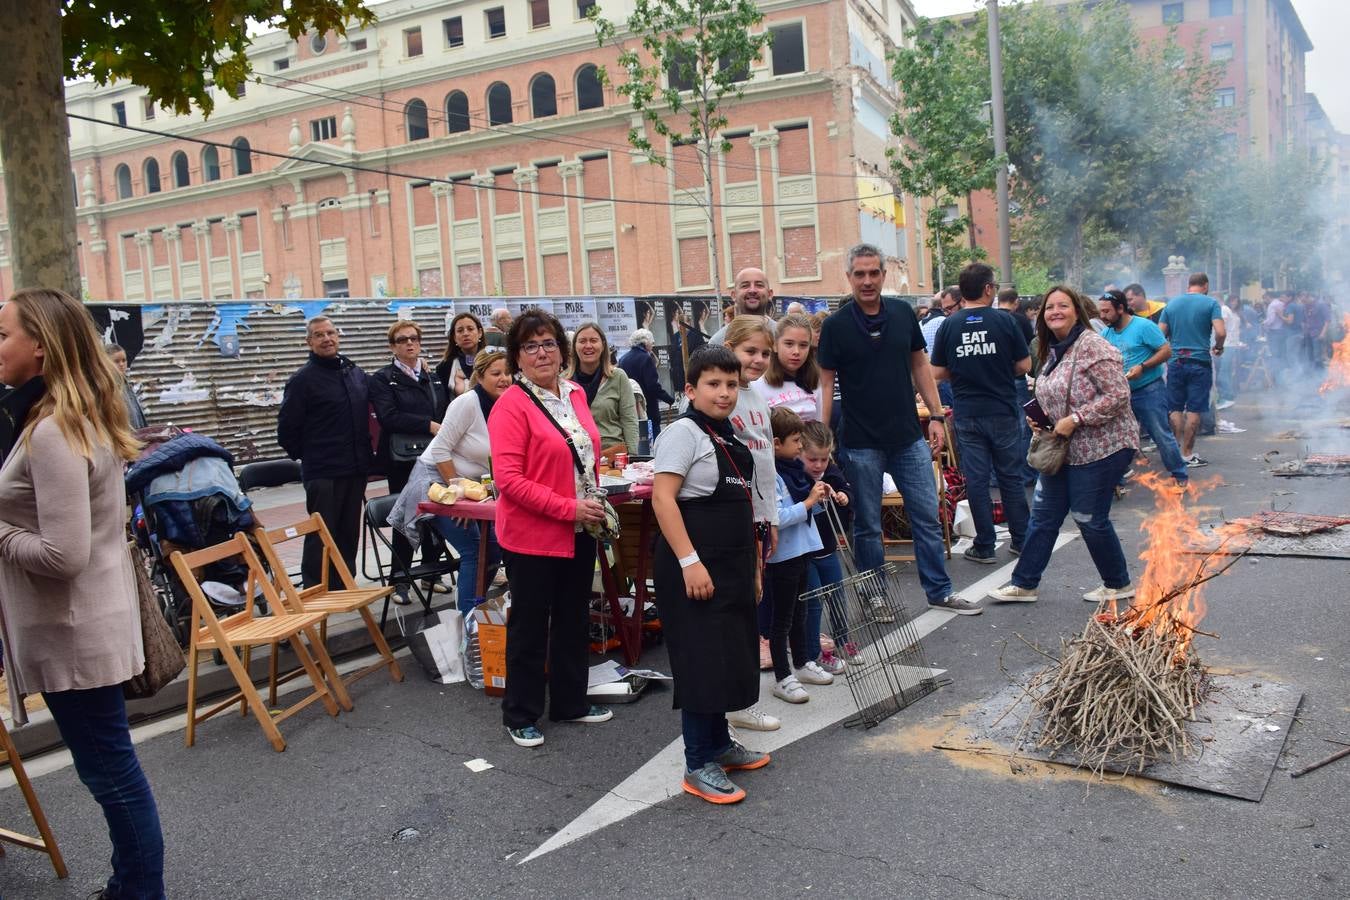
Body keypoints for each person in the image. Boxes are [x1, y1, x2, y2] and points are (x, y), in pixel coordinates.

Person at [0, 288, 165, 898]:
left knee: (111, 775)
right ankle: (131, 884)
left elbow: (62, 556)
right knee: (111, 769)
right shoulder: (75, 417)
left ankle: (141, 891)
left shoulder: (52, 431)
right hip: (85, 623)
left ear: (40, 347)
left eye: (2, 334)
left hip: (75, 632)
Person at [818, 243, 980, 616]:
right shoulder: (835, 326)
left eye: (874, 272)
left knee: (926, 515)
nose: (867, 280)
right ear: (849, 278)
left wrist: (937, 416)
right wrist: (822, 437)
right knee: (868, 526)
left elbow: (920, 366)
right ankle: (875, 597)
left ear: (883, 275)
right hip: (860, 442)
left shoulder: (903, 313)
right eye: (859, 274)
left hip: (908, 437)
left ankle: (939, 590)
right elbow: (826, 384)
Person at [487, 308, 613, 748]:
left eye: (548, 343)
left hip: (580, 528)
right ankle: (519, 713)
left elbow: (586, 454)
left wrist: (588, 504)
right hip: (533, 535)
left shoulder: (576, 393)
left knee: (574, 619)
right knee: (529, 625)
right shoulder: (511, 405)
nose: (541, 353)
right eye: (530, 346)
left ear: (562, 350)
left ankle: (570, 702)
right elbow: (509, 481)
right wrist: (568, 508)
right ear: (517, 357)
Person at [651, 345, 770, 805]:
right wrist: (688, 562)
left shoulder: (729, 435)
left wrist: (754, 568)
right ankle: (698, 760)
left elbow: (744, 507)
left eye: (731, 385)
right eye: (713, 385)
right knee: (701, 659)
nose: (723, 394)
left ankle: (719, 743)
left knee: (724, 655)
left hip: (732, 563)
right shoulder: (684, 433)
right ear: (690, 389)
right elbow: (663, 500)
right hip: (696, 564)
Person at [987, 287, 1140, 605]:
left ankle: (1118, 583)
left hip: (1103, 447)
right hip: (1064, 449)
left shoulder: (1092, 345)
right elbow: (1055, 391)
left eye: (1063, 306)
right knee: (1043, 517)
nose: (1055, 311)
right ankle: (1024, 584)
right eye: (1049, 307)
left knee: (1088, 517)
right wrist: (1042, 417)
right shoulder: (1055, 349)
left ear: (1077, 311)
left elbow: (1118, 394)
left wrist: (1077, 418)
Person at [390, 350, 509, 614]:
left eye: (508, 372)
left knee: (494, 548)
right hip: (437, 483)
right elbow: (441, 450)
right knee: (474, 549)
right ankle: (468, 618)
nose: (504, 379)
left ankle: (478, 605)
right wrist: (459, 496)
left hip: (473, 487)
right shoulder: (466, 403)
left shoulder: (508, 404)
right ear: (479, 376)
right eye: (496, 373)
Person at [929, 263, 1032, 564]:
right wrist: (999, 369)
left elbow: (937, 371)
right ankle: (1022, 539)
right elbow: (1025, 366)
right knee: (1010, 477)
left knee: (976, 479)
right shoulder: (1006, 321)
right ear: (988, 289)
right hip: (1002, 409)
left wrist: (963, 372)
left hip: (967, 412)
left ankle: (985, 544)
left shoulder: (949, 324)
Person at [277, 315, 374, 587]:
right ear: (309, 342)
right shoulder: (302, 380)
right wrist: (309, 455)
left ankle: (344, 584)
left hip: (355, 468)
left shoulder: (353, 373)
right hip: (323, 471)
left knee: (347, 532)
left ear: (338, 336)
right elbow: (287, 429)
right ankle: (316, 588)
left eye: (331, 333)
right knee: (321, 532)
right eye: (319, 335)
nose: (327, 339)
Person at [722, 316, 784, 732]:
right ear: (729, 347)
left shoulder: (758, 399)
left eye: (764, 353)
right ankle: (735, 701)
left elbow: (767, 467)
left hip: (759, 519)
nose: (759, 360)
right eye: (750, 351)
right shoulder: (725, 399)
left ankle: (741, 699)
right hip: (733, 520)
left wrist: (772, 519)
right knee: (737, 613)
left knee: (750, 606)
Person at [370, 320, 450, 603]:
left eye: (414, 338)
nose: (409, 344)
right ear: (393, 346)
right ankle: (400, 580)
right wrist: (427, 424)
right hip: (402, 460)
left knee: (436, 513)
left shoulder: (432, 376)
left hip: (432, 455)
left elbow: (444, 410)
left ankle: (431, 574)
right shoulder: (382, 379)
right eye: (402, 340)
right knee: (405, 515)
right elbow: (388, 417)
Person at [765, 406, 833, 704]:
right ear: (776, 443)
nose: (800, 447)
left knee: (801, 611)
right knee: (782, 619)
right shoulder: (771, 474)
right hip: (783, 556)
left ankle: (803, 662)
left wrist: (820, 499)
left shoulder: (794, 470)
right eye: (796, 441)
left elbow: (808, 509)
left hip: (803, 549)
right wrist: (808, 502)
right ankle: (783, 676)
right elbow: (777, 516)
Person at [1097, 290, 1188, 489]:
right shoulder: (1105, 334)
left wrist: (1143, 367)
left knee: (1161, 434)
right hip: (1121, 394)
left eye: (1106, 311)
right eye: (1100, 312)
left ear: (1121, 309)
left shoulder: (1143, 326)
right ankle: (1116, 480)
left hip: (1149, 389)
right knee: (1117, 439)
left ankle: (1179, 475)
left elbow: (1166, 351)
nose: (1102, 316)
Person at [800, 421, 857, 671]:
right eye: (812, 459)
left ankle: (843, 640)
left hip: (828, 549)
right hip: (805, 552)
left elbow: (846, 490)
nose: (818, 466)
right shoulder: (797, 476)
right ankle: (813, 653)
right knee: (814, 603)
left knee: (837, 596)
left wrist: (844, 497)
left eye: (823, 459)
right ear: (800, 452)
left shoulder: (831, 472)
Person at [1159, 273, 1225, 468]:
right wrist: (1219, 347)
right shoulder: (1210, 303)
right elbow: (1221, 332)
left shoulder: (1171, 304)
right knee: (1194, 410)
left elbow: (1159, 333)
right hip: (1199, 363)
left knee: (1176, 408)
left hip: (1175, 363)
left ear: (1189, 286)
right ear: (1205, 286)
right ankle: (1186, 454)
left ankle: (1173, 453)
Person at [567, 322, 639, 456]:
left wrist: (633, 456)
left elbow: (629, 420)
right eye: (582, 341)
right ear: (574, 346)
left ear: (603, 345)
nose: (588, 346)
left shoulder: (618, 377)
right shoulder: (563, 382)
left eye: (593, 340)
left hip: (613, 458)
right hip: (577, 459)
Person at [750, 312, 822, 421]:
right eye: (789, 344)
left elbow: (820, 424)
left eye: (803, 345)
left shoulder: (815, 384)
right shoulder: (758, 386)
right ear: (775, 346)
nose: (796, 352)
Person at [618, 327, 675, 441]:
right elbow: (652, 386)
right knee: (654, 442)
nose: (653, 345)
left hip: (631, 408)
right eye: (652, 343)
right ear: (645, 342)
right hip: (648, 408)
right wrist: (668, 398)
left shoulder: (623, 359)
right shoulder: (646, 358)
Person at [709, 267, 776, 345]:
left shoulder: (783, 335)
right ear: (734, 295)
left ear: (770, 294)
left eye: (759, 285)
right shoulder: (718, 342)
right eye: (745, 286)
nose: (752, 290)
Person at [436, 312, 486, 397]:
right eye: (460, 330)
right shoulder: (444, 367)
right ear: (454, 337)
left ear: (480, 333)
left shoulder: (493, 361)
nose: (465, 334)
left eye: (470, 329)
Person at [105, 341, 147, 429]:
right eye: (116, 361)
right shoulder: (106, 386)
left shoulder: (125, 383)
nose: (121, 364)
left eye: (124, 360)